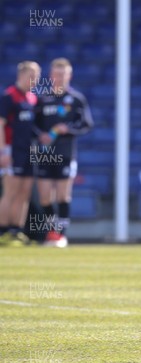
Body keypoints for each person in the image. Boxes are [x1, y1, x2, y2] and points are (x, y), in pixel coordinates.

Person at [34, 58, 93, 248]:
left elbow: (86, 124)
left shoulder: (76, 99)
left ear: (69, 76)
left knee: (62, 196)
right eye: (56, 74)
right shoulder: (42, 99)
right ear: (51, 76)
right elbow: (32, 124)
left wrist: (68, 129)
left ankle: (61, 236)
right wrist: (41, 135)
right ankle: (51, 232)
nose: (59, 78)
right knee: (44, 196)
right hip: (44, 154)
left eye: (63, 74)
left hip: (66, 154)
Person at [0, 61, 41, 247]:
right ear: (21, 75)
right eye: (31, 76)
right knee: (10, 192)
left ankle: (17, 231)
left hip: (29, 152)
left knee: (24, 193)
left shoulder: (33, 98)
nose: (34, 80)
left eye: (37, 77)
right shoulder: (9, 97)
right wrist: (2, 151)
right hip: (12, 151)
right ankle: (3, 231)